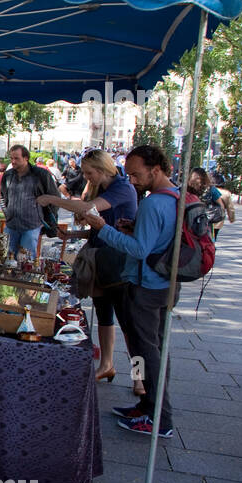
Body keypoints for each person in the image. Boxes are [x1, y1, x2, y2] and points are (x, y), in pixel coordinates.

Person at [82, 145, 181, 438]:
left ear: (157, 169)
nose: (133, 181)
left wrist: (104, 227)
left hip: (147, 285)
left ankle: (159, 416)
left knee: (147, 351)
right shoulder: (173, 198)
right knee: (146, 348)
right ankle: (147, 404)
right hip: (162, 284)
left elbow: (139, 250)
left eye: (137, 175)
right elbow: (153, 241)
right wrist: (131, 229)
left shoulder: (153, 203)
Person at [38, 149, 139, 387]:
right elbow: (100, 226)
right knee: (104, 316)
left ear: (103, 169)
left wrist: (52, 198)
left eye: (89, 172)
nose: (86, 177)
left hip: (120, 263)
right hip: (102, 261)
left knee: (130, 325)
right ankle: (106, 365)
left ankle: (140, 378)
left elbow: (87, 209)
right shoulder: (104, 188)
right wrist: (75, 233)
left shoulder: (122, 188)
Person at [0, 145, 58, 259]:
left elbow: (54, 198)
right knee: (7, 260)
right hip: (11, 225)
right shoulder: (8, 175)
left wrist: (46, 219)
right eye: (11, 158)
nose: (13, 161)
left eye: (16, 158)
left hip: (31, 226)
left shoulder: (40, 174)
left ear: (26, 158)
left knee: (26, 262)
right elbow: (2, 196)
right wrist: (7, 214)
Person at [188, 167, 234, 240]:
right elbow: (220, 206)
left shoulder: (185, 189)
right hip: (205, 224)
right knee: (206, 244)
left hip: (188, 222)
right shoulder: (211, 189)